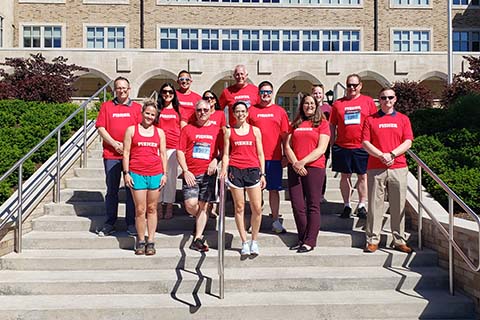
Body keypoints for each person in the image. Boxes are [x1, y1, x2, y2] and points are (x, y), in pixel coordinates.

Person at [362, 87, 413, 253]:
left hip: (398, 166)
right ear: (379, 100)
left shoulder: (403, 119)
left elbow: (408, 141)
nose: (387, 100)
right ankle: (373, 239)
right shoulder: (370, 119)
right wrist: (381, 155)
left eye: (390, 97)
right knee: (375, 205)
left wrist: (391, 154)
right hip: (376, 167)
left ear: (395, 99)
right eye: (383, 98)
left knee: (398, 205)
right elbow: (365, 143)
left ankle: (399, 240)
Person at [95, 76, 141, 237]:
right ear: (115, 90)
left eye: (124, 88)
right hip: (111, 155)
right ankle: (110, 222)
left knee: (131, 190)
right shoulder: (107, 107)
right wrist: (115, 144)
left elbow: (141, 130)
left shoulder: (136, 108)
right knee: (112, 190)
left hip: (132, 156)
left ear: (129, 89)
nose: (121, 90)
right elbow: (100, 128)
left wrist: (128, 148)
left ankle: (131, 223)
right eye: (118, 88)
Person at [284, 94, 330, 253]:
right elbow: (287, 146)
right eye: (306, 103)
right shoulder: (295, 123)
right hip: (294, 167)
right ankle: (302, 237)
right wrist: (295, 163)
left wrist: (302, 162)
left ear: (316, 106)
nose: (309, 106)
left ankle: (310, 240)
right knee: (297, 205)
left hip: (314, 167)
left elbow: (321, 148)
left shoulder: (322, 124)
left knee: (313, 204)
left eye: (312, 103)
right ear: (301, 106)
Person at [177, 99, 223, 252]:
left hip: (208, 174)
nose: (202, 112)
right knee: (191, 205)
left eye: (205, 110)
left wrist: (215, 161)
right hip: (191, 173)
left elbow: (222, 152)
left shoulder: (217, 130)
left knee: (203, 206)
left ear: (210, 111)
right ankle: (200, 218)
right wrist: (185, 170)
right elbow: (180, 151)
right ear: (195, 112)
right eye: (199, 110)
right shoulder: (187, 129)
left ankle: (197, 238)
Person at [220, 101, 266, 257]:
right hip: (235, 170)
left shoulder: (255, 131)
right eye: (237, 111)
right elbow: (226, 154)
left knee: (257, 208)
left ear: (247, 113)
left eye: (243, 111)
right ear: (233, 114)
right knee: (239, 208)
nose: (240, 114)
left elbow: (260, 154)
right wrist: (223, 170)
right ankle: (244, 242)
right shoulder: (229, 132)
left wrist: (263, 173)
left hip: (252, 170)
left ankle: (254, 240)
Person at [123, 100, 167, 255]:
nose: (149, 116)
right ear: (142, 113)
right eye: (147, 113)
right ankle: (141, 240)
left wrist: (164, 174)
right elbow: (126, 152)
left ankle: (151, 240)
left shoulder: (159, 132)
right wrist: (126, 172)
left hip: (155, 173)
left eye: (152, 114)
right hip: (136, 173)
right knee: (140, 209)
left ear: (156, 117)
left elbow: (162, 154)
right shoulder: (131, 130)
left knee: (152, 208)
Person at [330, 74, 377, 219]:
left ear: (360, 86)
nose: (352, 88)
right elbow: (332, 125)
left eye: (354, 85)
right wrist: (332, 143)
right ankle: (347, 205)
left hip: (362, 146)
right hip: (343, 145)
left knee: (362, 176)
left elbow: (374, 123)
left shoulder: (368, 102)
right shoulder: (338, 104)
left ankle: (362, 204)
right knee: (345, 176)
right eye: (349, 85)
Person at [248, 81, 289, 234]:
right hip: (254, 158)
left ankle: (276, 220)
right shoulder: (251, 111)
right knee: (255, 191)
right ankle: (255, 219)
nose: (266, 94)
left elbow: (285, 136)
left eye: (269, 92)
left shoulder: (280, 111)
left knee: (274, 190)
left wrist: (286, 154)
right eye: (263, 91)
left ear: (272, 93)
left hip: (274, 158)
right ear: (259, 93)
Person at [156, 83, 181, 220]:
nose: (167, 94)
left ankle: (169, 205)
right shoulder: (157, 109)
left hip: (173, 147)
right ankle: (159, 205)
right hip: (159, 147)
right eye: (164, 91)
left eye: (170, 91)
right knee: (159, 177)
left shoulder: (178, 110)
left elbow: (182, 128)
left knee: (171, 178)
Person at [202, 90, 227, 218]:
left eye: (212, 98)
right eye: (206, 98)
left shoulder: (220, 114)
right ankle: (206, 205)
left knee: (215, 177)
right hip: (204, 149)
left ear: (215, 100)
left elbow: (223, 130)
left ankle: (213, 206)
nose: (209, 100)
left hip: (217, 147)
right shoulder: (202, 113)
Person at [312, 84, 333, 204]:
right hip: (311, 142)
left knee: (321, 169)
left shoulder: (328, 108)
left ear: (323, 95)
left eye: (320, 93)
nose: (317, 95)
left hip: (324, 143)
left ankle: (321, 194)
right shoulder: (309, 107)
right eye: (315, 93)